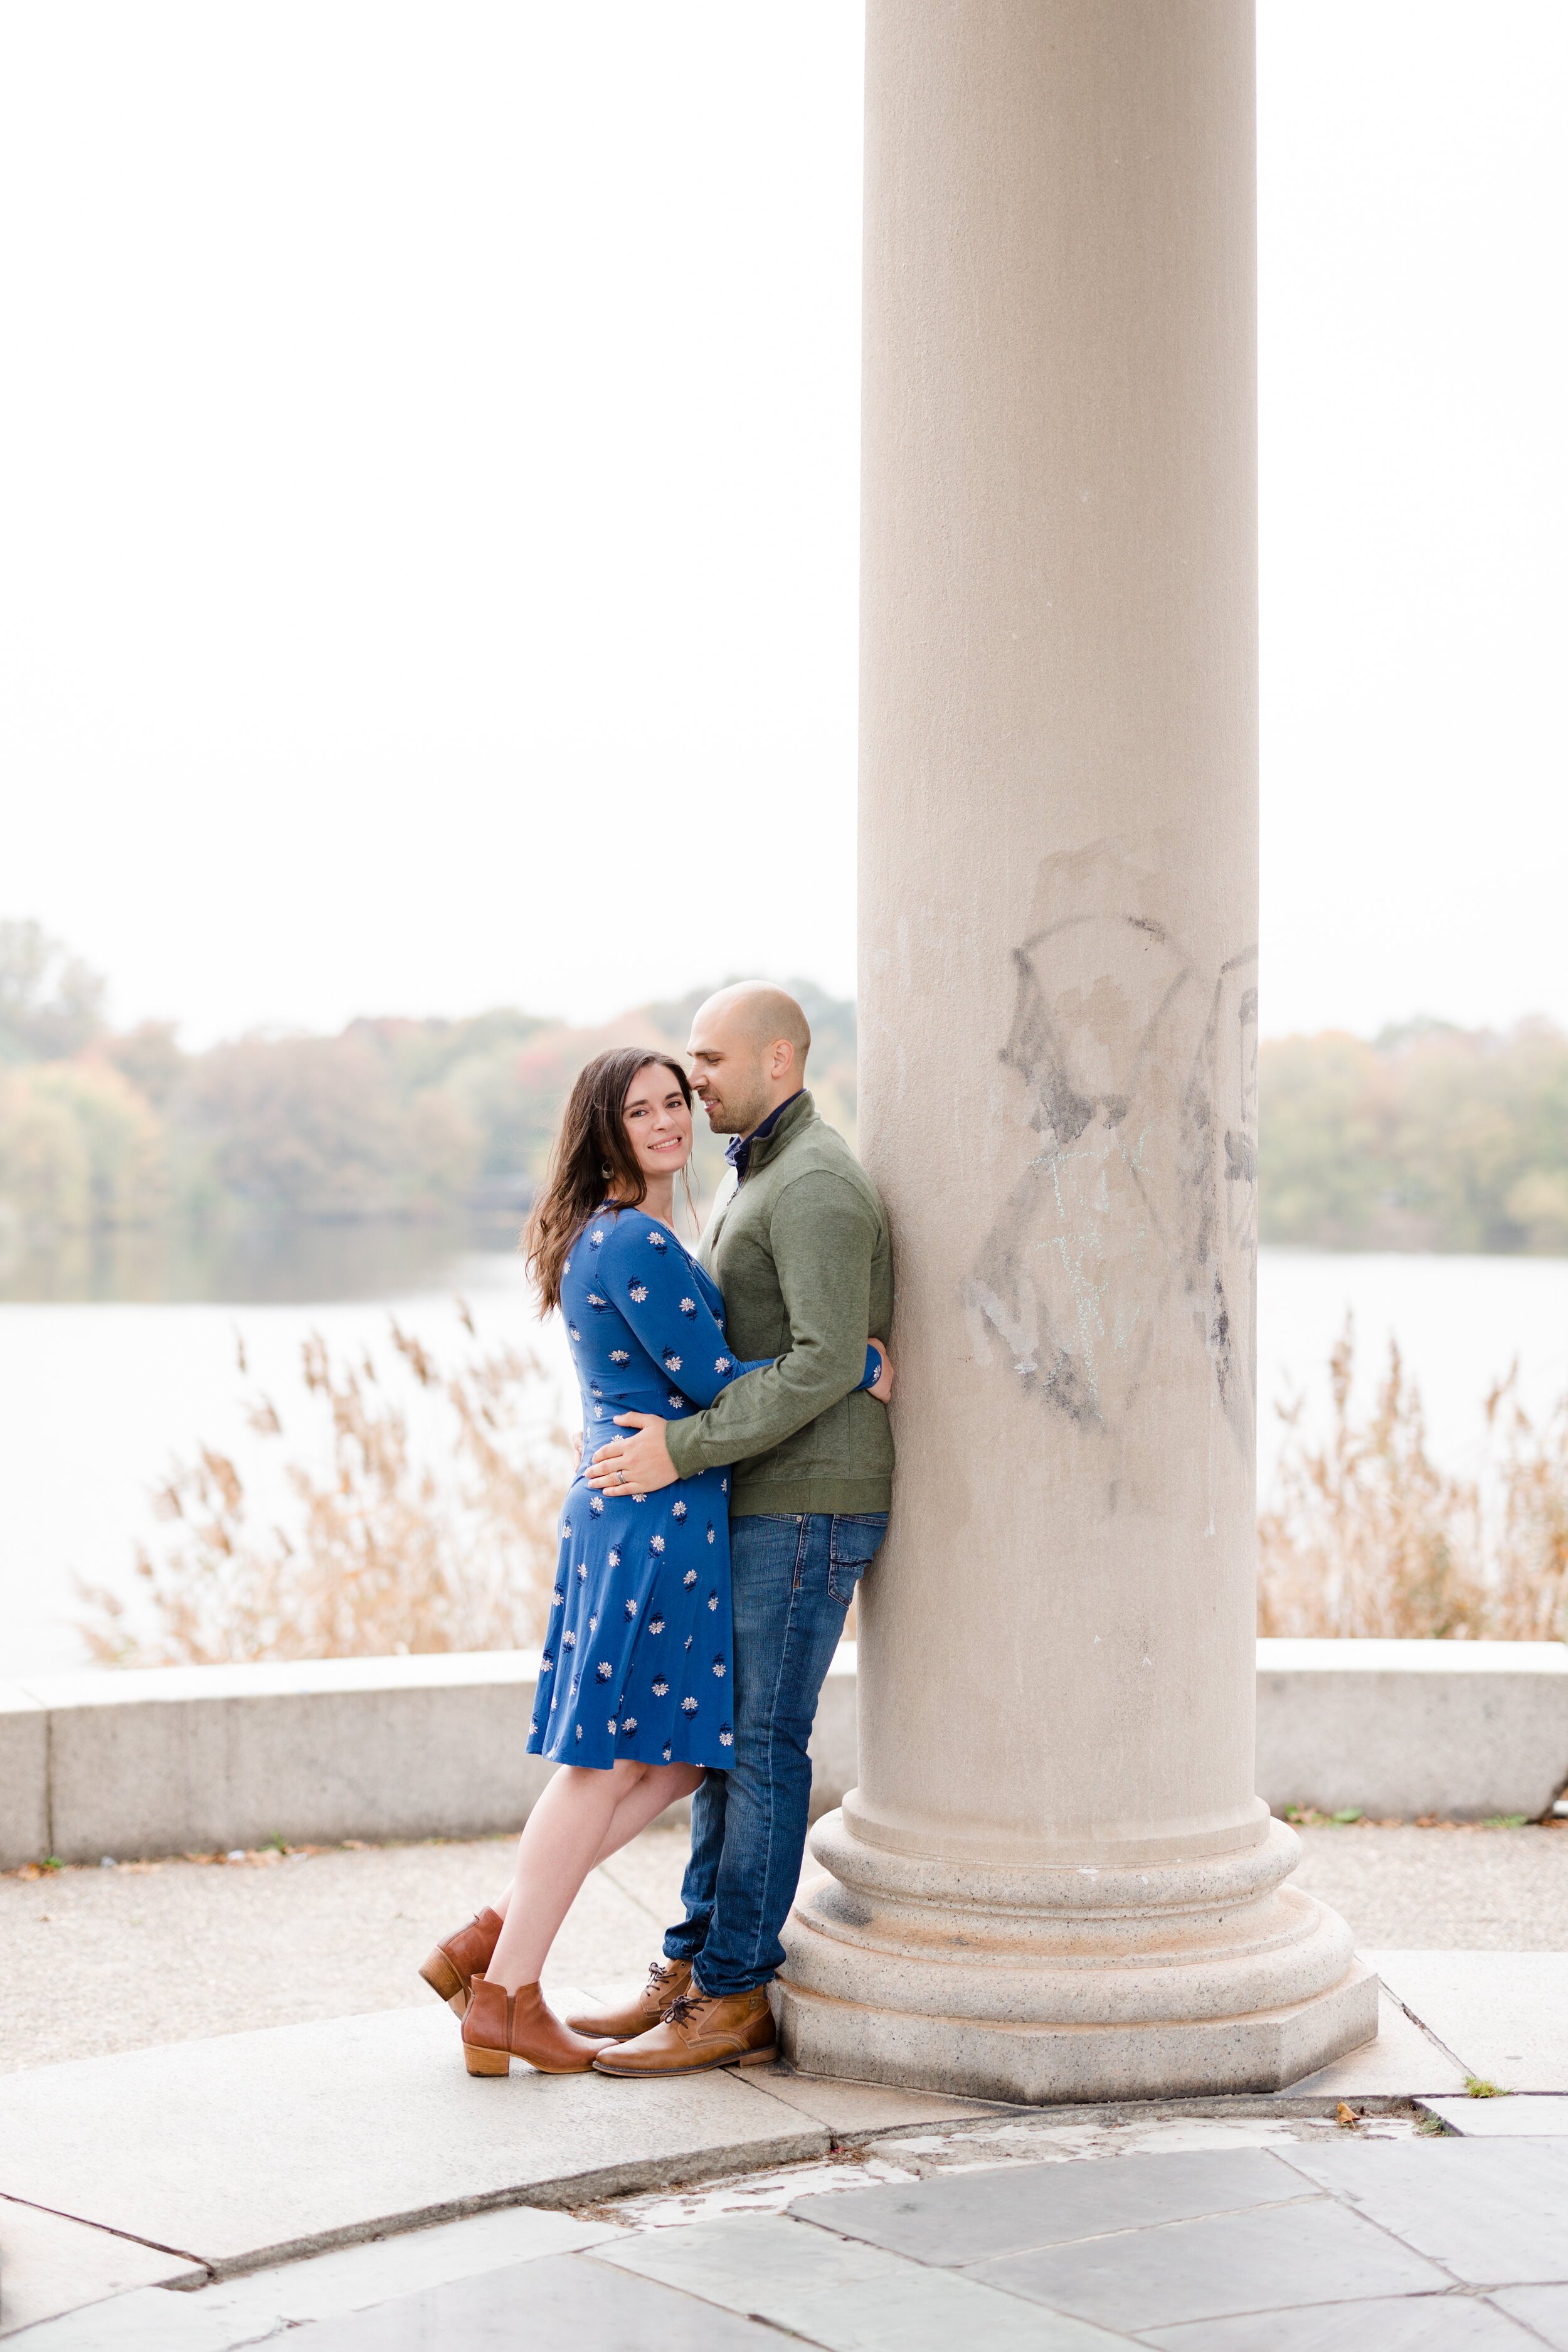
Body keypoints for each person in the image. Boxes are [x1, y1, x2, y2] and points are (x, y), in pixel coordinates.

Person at [417, 1043, 891, 2077]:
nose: (670, 1120)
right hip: (649, 1524)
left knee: (679, 1753)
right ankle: (504, 1992)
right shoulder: (631, 1238)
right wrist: (853, 1359)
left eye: (677, 1100)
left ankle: (500, 1929)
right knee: (603, 1764)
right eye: (643, 1110)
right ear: (607, 1129)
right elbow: (717, 1379)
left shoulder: (631, 1229)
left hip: (656, 1517)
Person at [575, 982, 895, 2077]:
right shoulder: (759, 1170)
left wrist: (681, 1447)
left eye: (708, 1060)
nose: (692, 1078)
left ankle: (737, 1992)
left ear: (777, 1058)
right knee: (729, 1751)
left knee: (758, 1750)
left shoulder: (813, 1184)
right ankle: (695, 1963)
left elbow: (820, 1354)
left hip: (809, 1499)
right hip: (765, 1498)